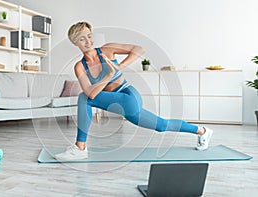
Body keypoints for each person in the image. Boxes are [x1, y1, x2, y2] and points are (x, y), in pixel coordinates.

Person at [54, 22, 213, 160]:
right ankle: (203, 131)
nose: (88, 41)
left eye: (89, 36)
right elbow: (92, 93)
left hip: (129, 97)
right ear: (75, 43)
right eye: (82, 39)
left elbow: (139, 49)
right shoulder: (80, 66)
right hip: (118, 104)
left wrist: (119, 67)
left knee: (83, 98)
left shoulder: (107, 50)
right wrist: (109, 74)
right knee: (162, 125)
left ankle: (80, 147)